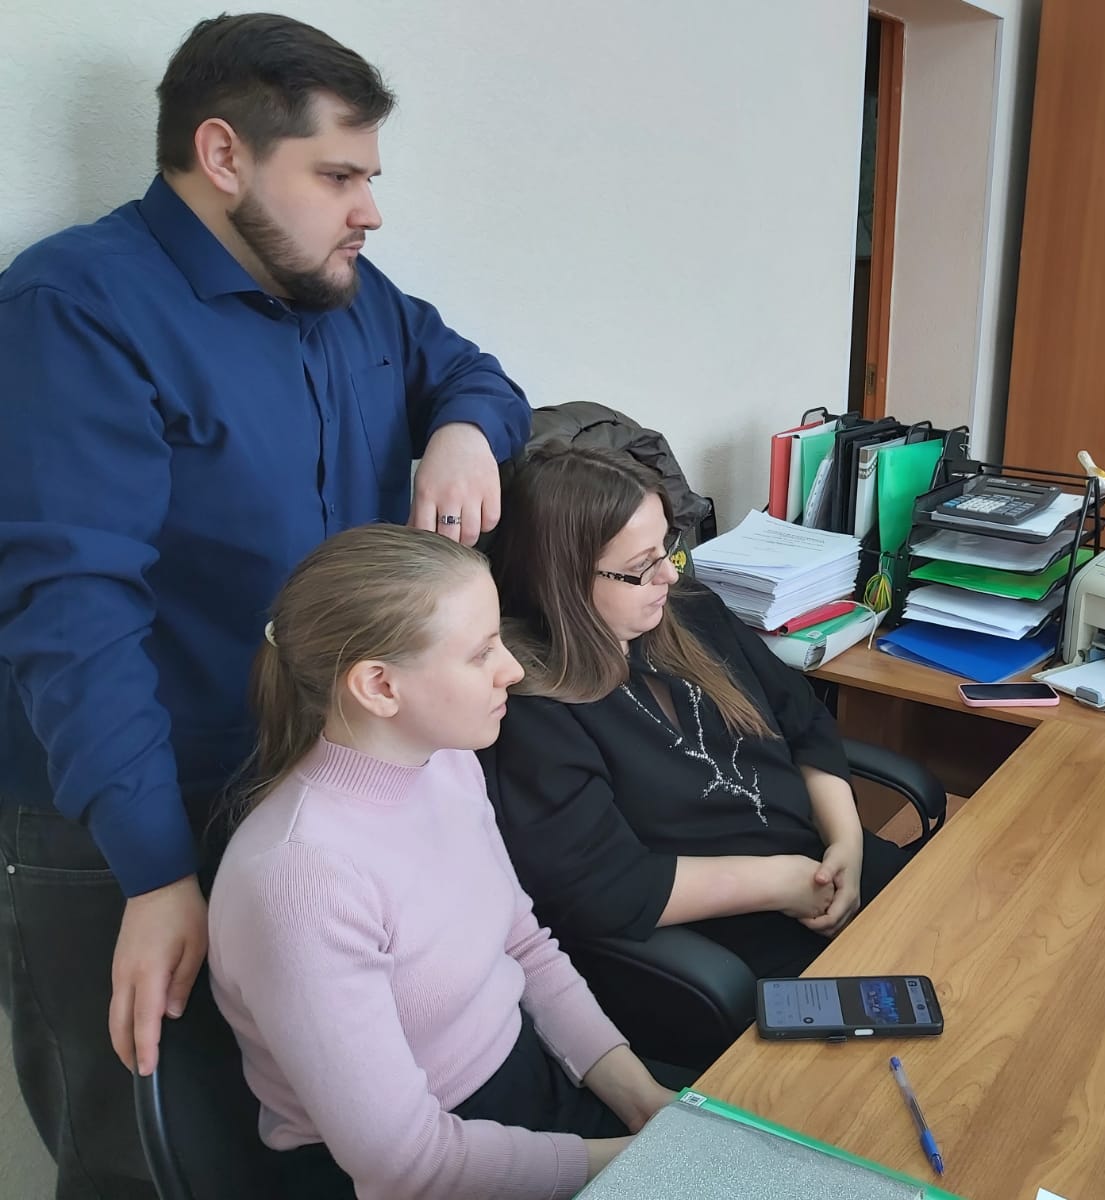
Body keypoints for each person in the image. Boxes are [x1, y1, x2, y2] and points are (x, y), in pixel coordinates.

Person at [0, 15, 530, 1196]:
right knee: (144, 1155)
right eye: (338, 176)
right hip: (130, 812)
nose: (369, 210)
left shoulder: (345, 292)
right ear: (223, 155)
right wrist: (153, 871)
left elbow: (474, 374)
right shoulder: (75, 305)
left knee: (285, 1137)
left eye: (368, 178)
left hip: (305, 789)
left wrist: (462, 430)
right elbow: (71, 613)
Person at [209, 525, 678, 1198]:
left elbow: (524, 946)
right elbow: (407, 1168)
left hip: (531, 1091)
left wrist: (643, 1100)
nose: (513, 669)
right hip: (416, 1172)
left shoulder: (446, 762)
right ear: (379, 686)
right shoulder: (299, 879)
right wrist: (636, 1163)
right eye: (482, 652)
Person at [483, 447, 911, 983]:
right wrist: (783, 884)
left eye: (667, 547)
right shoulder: (531, 709)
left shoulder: (690, 610)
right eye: (641, 566)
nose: (668, 573)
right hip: (726, 933)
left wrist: (846, 842)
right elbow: (602, 885)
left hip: (823, 861)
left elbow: (804, 722)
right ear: (562, 579)